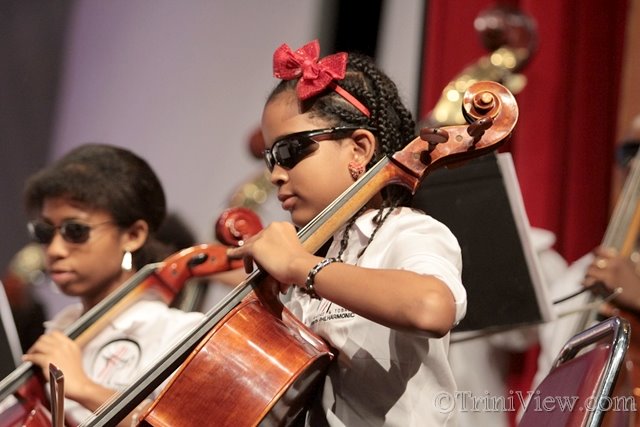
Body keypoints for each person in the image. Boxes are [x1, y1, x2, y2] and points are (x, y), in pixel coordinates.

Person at [226, 40, 467, 426]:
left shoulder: (406, 231)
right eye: (271, 159)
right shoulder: (319, 252)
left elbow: (430, 307)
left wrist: (298, 265)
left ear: (358, 149)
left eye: (289, 152)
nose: (275, 175)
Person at [14, 143, 204, 426]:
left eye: (75, 230)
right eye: (45, 232)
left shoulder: (178, 333)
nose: (54, 250)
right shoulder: (62, 328)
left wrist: (84, 389)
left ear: (133, 235)